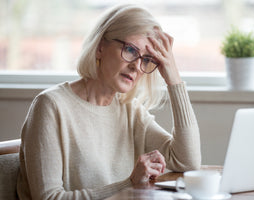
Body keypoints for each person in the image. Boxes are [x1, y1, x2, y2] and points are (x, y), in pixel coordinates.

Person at [17, 4, 201, 200]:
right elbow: (48, 198)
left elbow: (187, 161)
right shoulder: (51, 106)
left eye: (146, 59)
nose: (137, 66)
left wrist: (173, 77)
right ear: (100, 47)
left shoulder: (130, 110)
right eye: (130, 50)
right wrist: (129, 184)